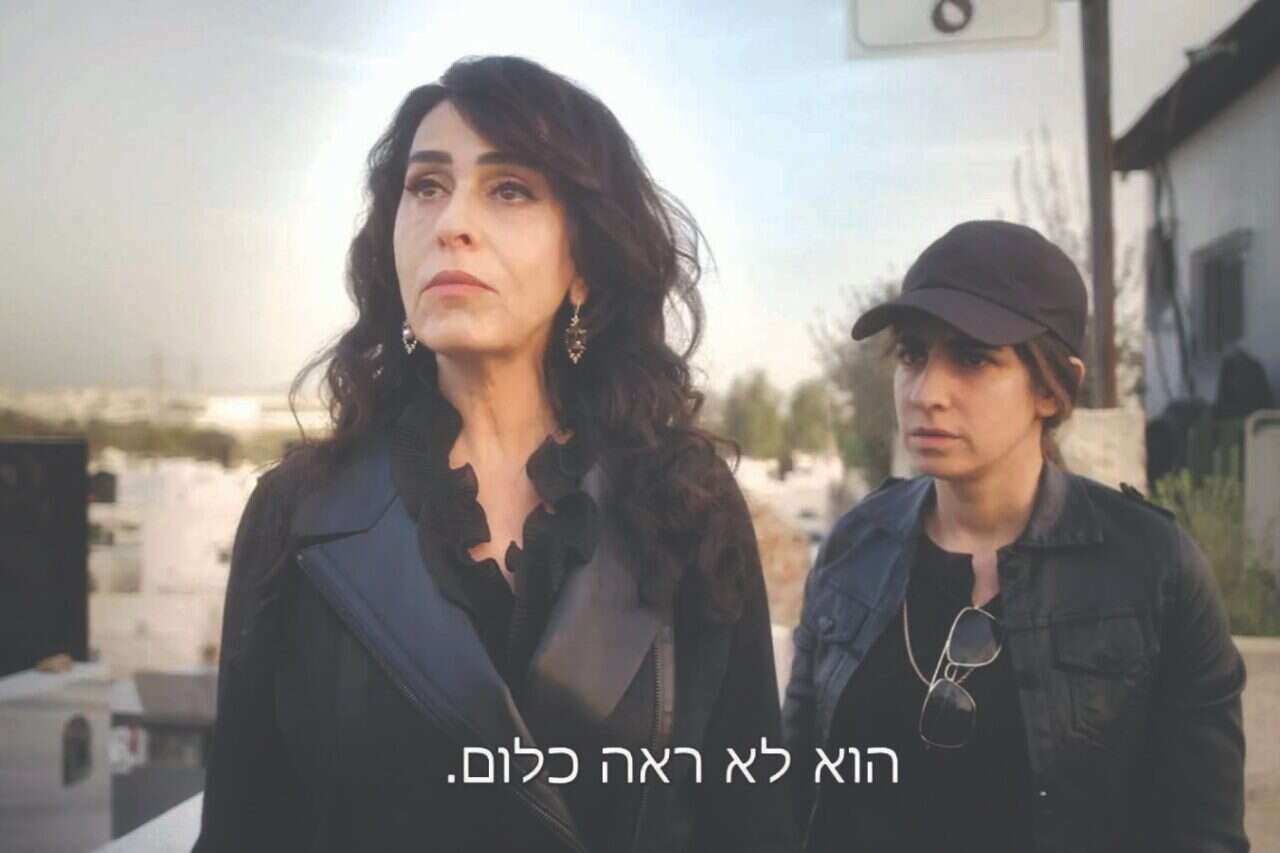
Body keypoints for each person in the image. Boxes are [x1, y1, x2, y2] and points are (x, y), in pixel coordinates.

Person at [194, 56, 796, 853]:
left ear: (584, 260)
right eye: (426, 186)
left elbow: (748, 822)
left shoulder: (685, 506)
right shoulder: (298, 515)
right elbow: (242, 827)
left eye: (509, 189)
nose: (451, 222)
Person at [783, 220, 1248, 852]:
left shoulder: (1154, 572)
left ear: (1053, 389)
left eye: (972, 358)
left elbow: (1203, 835)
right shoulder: (854, 549)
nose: (927, 393)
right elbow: (790, 791)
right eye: (913, 354)